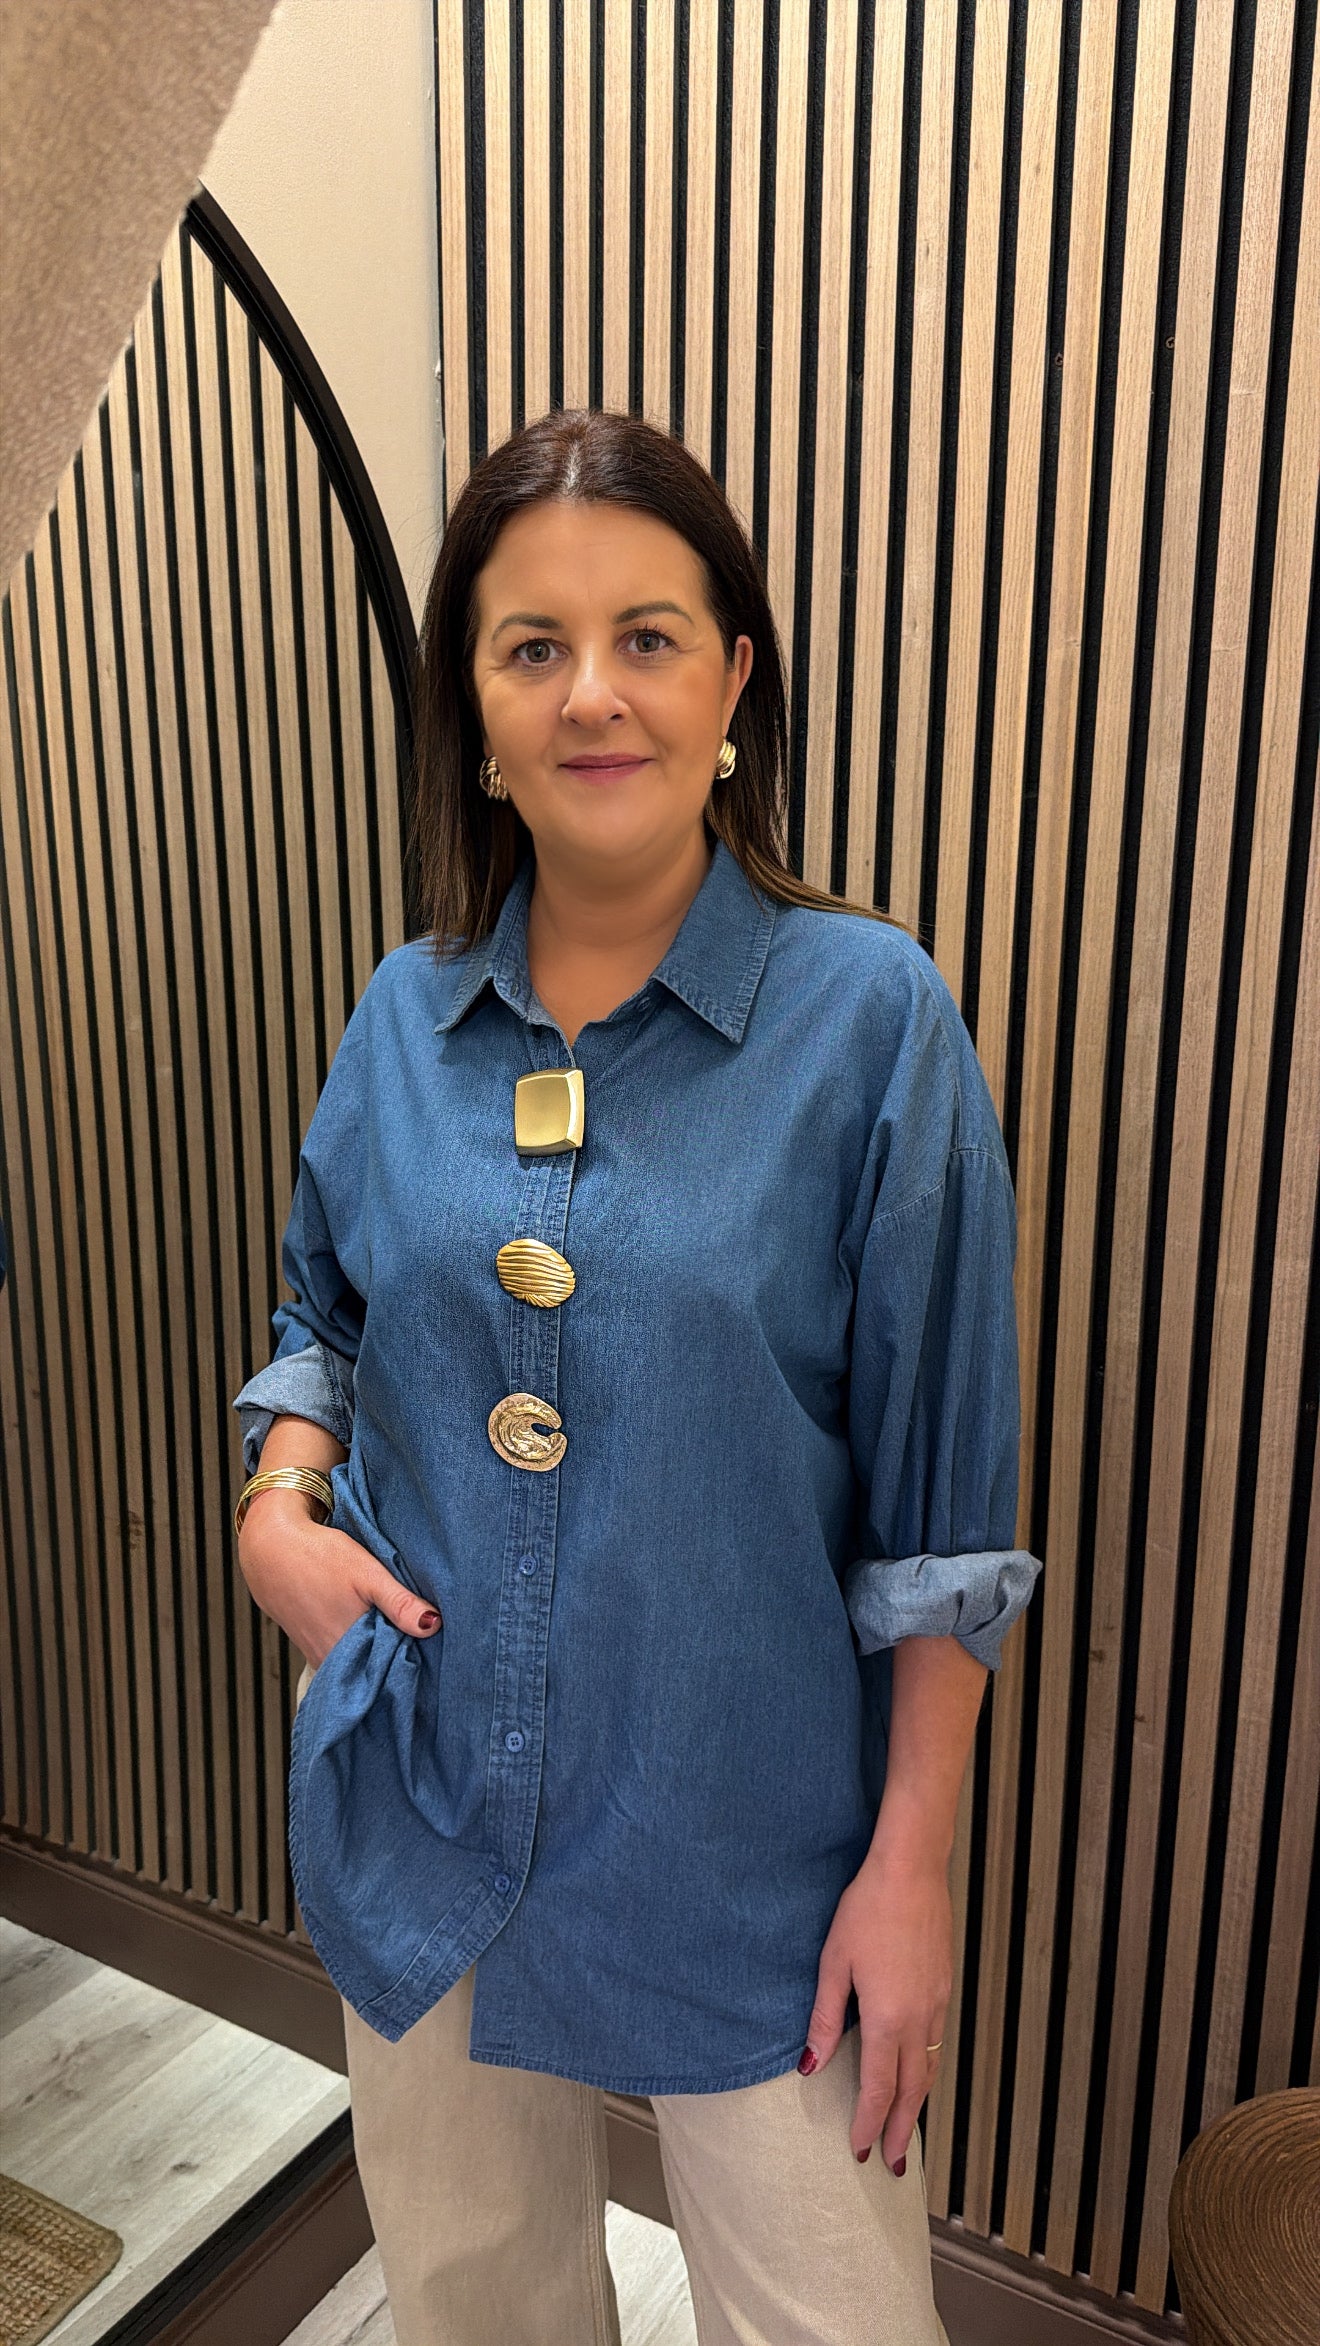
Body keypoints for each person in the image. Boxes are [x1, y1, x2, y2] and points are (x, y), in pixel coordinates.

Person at [232, 407, 1042, 2346]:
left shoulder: (873, 1026)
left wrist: (913, 1867)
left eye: (648, 636)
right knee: (473, 2300)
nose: (593, 692)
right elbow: (320, 1312)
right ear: (477, 711)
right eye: (534, 646)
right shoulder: (402, 1018)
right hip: (425, 1797)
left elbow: (945, 1523)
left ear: (734, 679)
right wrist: (276, 1502)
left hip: (749, 1846)